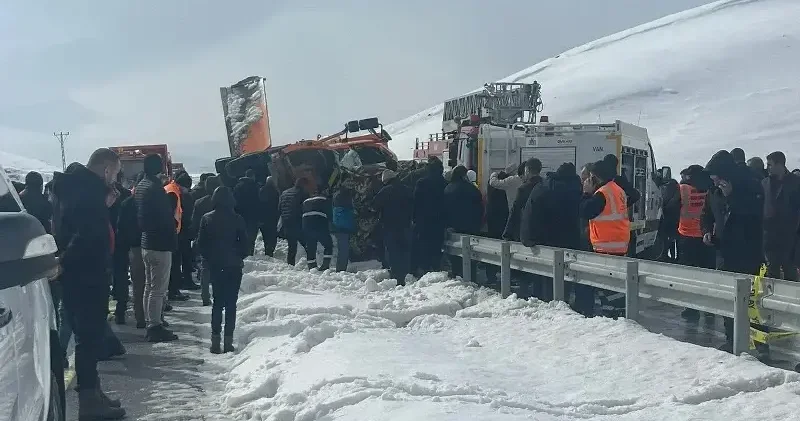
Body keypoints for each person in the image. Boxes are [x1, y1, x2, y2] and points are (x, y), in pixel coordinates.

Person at [51, 148, 126, 420]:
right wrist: (65, 262)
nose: (115, 179)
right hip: (87, 275)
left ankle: (94, 393)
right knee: (88, 338)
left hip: (79, 274)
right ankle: (89, 402)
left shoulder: (75, 188)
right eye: (115, 173)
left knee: (88, 336)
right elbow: (85, 234)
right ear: (106, 169)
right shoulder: (88, 193)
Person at [702, 150, 764, 352]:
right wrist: (706, 232)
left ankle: (758, 343)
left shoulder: (750, 185)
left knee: (751, 301)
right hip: (724, 251)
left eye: (716, 177)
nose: (714, 181)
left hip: (747, 251)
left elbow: (754, 214)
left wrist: (732, 197)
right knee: (727, 298)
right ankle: (732, 339)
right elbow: (707, 214)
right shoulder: (714, 191)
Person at [520, 162, 583, 305]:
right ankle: (562, 304)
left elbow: (529, 214)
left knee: (543, 279)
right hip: (569, 242)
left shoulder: (542, 187)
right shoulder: (577, 190)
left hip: (543, 241)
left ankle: (544, 306)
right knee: (564, 280)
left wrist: (527, 238)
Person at [196, 186, 248, 354]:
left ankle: (215, 341)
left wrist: (209, 259)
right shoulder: (238, 219)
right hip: (233, 265)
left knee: (217, 303)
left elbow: (201, 244)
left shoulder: (206, 218)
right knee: (231, 303)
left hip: (216, 266)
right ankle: (228, 342)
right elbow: (245, 245)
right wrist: (238, 256)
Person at [134, 153, 179, 342]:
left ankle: (149, 320)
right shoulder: (155, 189)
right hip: (159, 243)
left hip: (146, 242)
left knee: (149, 286)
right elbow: (165, 218)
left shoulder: (141, 186)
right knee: (158, 288)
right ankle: (155, 326)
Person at [676, 165, 715, 321]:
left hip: (686, 236)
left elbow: (672, 205)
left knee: (689, 275)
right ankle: (710, 309)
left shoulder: (683, 189)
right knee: (709, 274)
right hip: (706, 237)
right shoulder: (709, 189)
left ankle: (691, 308)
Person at [763, 151, 800, 281]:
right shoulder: (765, 183)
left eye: (770, 165)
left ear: (780, 165)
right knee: (771, 272)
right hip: (769, 237)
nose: (767, 167)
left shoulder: (795, 182)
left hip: (789, 237)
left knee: (790, 271)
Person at [372, 169, 413, 285]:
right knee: (404, 249)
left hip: (389, 225)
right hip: (406, 225)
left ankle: (395, 274)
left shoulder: (385, 191)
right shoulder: (407, 190)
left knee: (392, 250)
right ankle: (406, 273)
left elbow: (374, 207)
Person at [443, 166, 483, 280]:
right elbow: (479, 207)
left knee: (455, 256)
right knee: (470, 255)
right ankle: (471, 277)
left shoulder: (448, 188)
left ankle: (457, 276)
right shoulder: (471, 189)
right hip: (470, 226)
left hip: (453, 226)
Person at [118, 173, 146, 328]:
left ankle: (141, 317)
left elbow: (121, 228)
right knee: (152, 285)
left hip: (134, 247)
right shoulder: (147, 202)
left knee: (139, 285)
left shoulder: (126, 203)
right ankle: (151, 317)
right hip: (145, 246)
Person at [412, 156, 447, 273]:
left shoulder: (421, 183)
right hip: (440, 220)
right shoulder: (444, 183)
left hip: (423, 220)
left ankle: (425, 268)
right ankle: (436, 266)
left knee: (424, 244)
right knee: (437, 245)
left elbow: (416, 202)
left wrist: (414, 219)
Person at [192, 175, 221, 306]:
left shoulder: (199, 202)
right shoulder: (223, 202)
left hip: (203, 238)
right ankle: (218, 294)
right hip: (219, 239)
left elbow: (194, 222)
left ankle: (205, 296)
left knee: (205, 268)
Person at [109, 171, 133, 324]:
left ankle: (105, 310)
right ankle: (120, 311)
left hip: (104, 241)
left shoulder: (100, 194)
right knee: (122, 276)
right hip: (121, 242)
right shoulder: (126, 196)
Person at [503, 158, 543, 241]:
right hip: (543, 233)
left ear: (527, 170)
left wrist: (507, 234)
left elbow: (515, 211)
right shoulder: (545, 186)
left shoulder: (524, 189)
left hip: (527, 232)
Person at [279, 177, 310, 266]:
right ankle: (312, 265)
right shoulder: (302, 193)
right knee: (308, 245)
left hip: (287, 223)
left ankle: (290, 265)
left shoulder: (284, 193)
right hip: (298, 222)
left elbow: (279, 208)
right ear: (304, 185)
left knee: (292, 247)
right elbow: (305, 208)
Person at [302, 189, 334, 270]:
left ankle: (312, 267)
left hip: (306, 226)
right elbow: (330, 214)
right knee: (328, 245)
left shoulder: (306, 201)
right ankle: (325, 266)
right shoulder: (325, 200)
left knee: (310, 247)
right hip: (319, 224)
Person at [234, 170, 262, 256]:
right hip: (252, 217)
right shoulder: (255, 187)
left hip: (240, 216)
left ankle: (242, 254)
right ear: (252, 176)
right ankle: (250, 254)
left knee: (241, 237)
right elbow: (258, 203)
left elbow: (234, 202)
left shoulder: (237, 187)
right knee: (251, 238)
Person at [332, 186, 356, 272]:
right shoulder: (346, 208)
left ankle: (341, 268)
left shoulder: (336, 206)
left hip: (338, 227)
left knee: (342, 249)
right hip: (345, 228)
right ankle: (341, 270)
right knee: (344, 250)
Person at [659, 173, 680, 262]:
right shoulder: (677, 192)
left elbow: (665, 203)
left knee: (667, 238)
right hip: (675, 219)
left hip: (667, 218)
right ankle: (673, 256)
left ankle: (665, 255)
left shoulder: (667, 192)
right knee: (673, 239)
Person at [258, 176, 280, 257]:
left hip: (263, 217)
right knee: (272, 235)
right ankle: (270, 250)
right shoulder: (275, 191)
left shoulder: (261, 190)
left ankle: (267, 249)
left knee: (265, 235)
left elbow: (259, 204)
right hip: (273, 218)